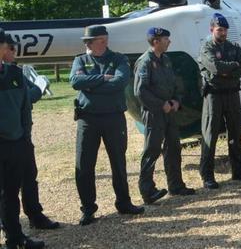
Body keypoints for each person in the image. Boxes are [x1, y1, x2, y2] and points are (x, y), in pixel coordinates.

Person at [70, 25, 144, 226]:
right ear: (89, 43)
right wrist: (103, 78)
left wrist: (91, 85)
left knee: (118, 162)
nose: (105, 42)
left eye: (106, 38)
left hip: (113, 117)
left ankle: (124, 202)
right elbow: (75, 82)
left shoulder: (118, 59)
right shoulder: (81, 60)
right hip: (88, 119)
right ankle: (88, 208)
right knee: (84, 165)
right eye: (101, 40)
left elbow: (120, 82)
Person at [0, 33, 59, 231]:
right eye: (11, 49)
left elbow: (28, 97)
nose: (14, 53)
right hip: (8, 138)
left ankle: (34, 215)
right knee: (7, 188)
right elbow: (33, 94)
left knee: (28, 176)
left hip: (21, 136)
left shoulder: (16, 73)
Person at [134, 27, 196, 205]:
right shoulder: (145, 62)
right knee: (152, 150)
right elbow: (140, 91)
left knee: (174, 148)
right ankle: (147, 190)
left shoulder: (166, 60)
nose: (169, 42)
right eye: (166, 39)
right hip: (154, 113)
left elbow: (174, 84)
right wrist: (161, 104)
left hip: (169, 112)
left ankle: (176, 185)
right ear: (156, 42)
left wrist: (176, 101)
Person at [198, 13, 241, 190]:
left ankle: (239, 171)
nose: (223, 33)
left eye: (225, 30)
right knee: (210, 135)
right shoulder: (206, 47)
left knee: (236, 134)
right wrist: (233, 67)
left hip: (232, 94)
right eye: (219, 30)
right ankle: (207, 176)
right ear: (212, 29)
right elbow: (215, 67)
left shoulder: (233, 46)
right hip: (214, 95)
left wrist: (227, 70)